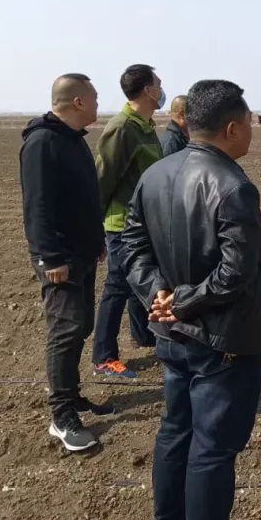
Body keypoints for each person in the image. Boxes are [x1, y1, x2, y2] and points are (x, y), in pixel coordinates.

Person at [120, 79, 261, 520]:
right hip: (221, 337)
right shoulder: (232, 186)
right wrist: (180, 303)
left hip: (173, 333)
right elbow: (236, 272)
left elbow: (132, 248)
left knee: (176, 430)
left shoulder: (156, 174)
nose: (251, 132)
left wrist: (158, 297)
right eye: (248, 123)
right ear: (231, 128)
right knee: (213, 445)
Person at [20, 74, 111, 452]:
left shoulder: (72, 140)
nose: (97, 103)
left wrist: (97, 240)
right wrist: (50, 256)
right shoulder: (42, 143)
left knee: (81, 325)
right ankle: (61, 416)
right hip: (60, 257)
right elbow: (37, 206)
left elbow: (84, 198)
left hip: (82, 252)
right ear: (77, 102)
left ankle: (71, 395)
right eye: (94, 97)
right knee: (66, 329)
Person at [92, 64, 165, 379]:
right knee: (118, 285)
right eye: (158, 84)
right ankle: (103, 356)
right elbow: (103, 180)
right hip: (123, 224)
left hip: (145, 222)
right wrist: (95, 229)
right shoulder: (122, 128)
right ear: (147, 90)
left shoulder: (145, 126)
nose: (162, 89)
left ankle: (144, 336)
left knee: (141, 282)